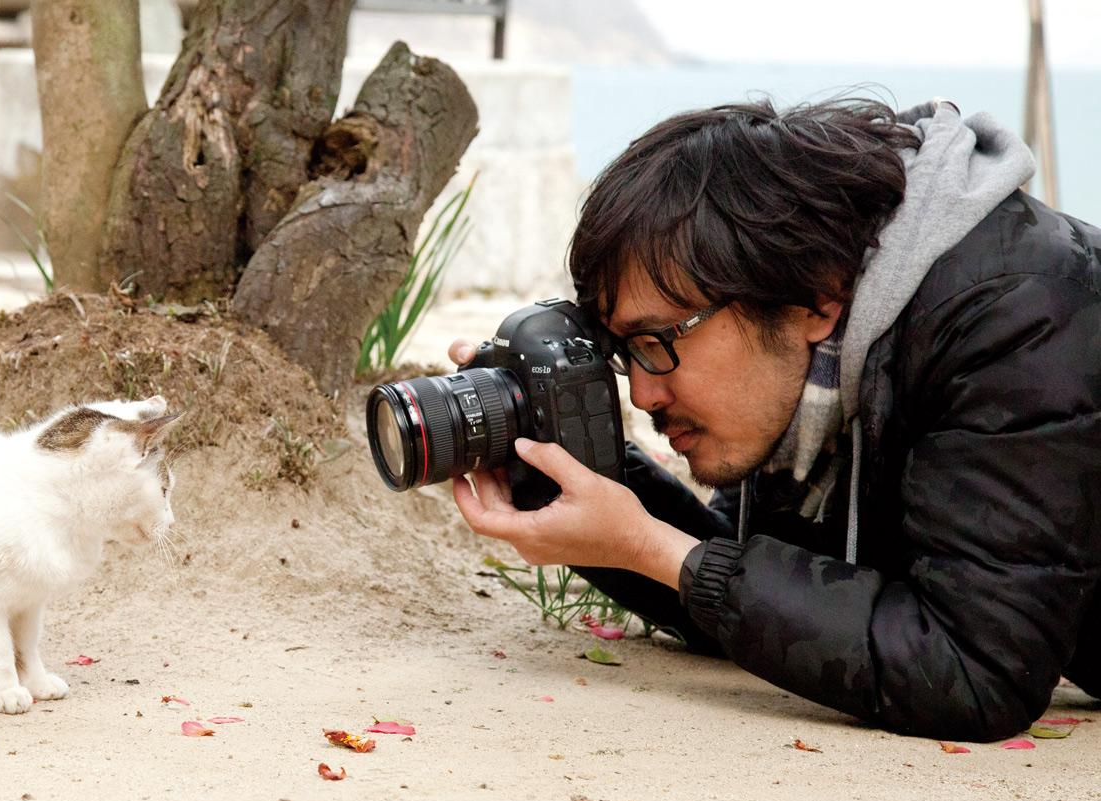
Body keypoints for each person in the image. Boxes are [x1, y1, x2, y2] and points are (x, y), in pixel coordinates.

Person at [448, 97, 1101, 742]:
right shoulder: (825, 358)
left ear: (811, 297)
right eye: (626, 353)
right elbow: (752, 581)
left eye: (658, 341)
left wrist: (648, 546)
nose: (643, 395)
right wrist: (559, 461)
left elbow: (976, 672)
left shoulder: (1017, 323)